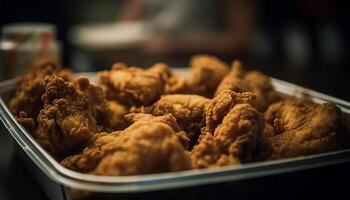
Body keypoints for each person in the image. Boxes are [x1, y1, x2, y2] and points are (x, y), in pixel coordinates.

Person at [119, 0, 256, 57]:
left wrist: (177, 45)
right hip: (149, 61)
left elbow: (241, 39)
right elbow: (126, 25)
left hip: (205, 65)